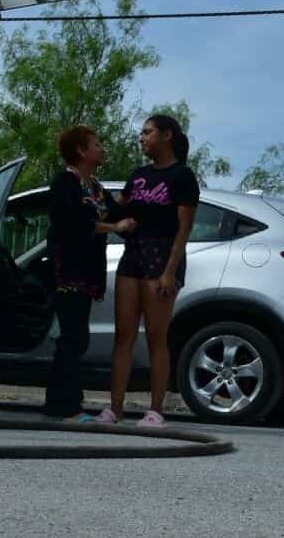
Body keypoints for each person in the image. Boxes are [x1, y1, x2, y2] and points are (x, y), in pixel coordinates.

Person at [94, 115, 199, 427]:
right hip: (133, 257)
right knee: (123, 335)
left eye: (147, 132)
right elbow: (119, 208)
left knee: (156, 336)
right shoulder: (139, 175)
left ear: (166, 135)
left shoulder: (182, 177)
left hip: (163, 258)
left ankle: (156, 410)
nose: (141, 137)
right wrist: (90, 185)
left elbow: (184, 230)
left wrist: (169, 273)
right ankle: (114, 409)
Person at [44, 126, 137, 422]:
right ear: (82, 151)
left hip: (87, 275)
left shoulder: (95, 187)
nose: (102, 148)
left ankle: (63, 404)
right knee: (72, 338)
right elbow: (72, 223)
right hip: (66, 273)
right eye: (97, 144)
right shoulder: (64, 183)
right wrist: (113, 228)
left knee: (76, 338)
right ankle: (65, 407)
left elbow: (116, 213)